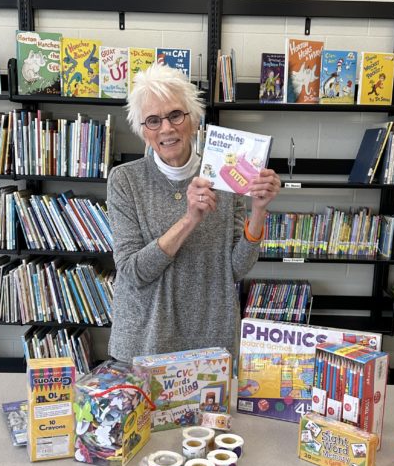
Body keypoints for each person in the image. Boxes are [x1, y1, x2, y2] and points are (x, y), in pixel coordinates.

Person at [106, 62, 281, 364]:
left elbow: (235, 269)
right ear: (142, 131)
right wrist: (189, 219)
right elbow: (133, 272)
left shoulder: (227, 173)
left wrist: (259, 211)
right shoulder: (125, 180)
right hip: (146, 339)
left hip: (209, 338)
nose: (167, 128)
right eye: (152, 120)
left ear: (193, 118)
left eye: (175, 114)